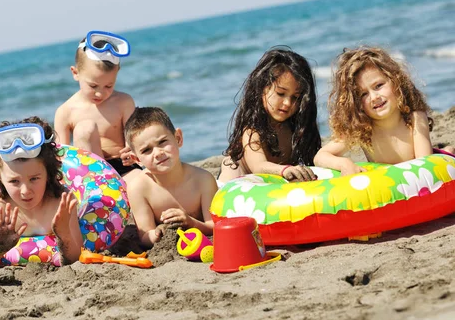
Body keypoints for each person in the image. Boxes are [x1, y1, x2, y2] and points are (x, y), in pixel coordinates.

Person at [0, 117, 83, 275]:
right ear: (0, 177)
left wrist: (64, 235)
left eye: (34, 179)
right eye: (14, 181)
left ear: (48, 174)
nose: (25, 191)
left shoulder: (61, 202)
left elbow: (77, 261)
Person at [314, 47, 455, 175]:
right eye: (363, 94)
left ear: (396, 81)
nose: (374, 97)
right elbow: (320, 157)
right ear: (355, 104)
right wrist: (344, 163)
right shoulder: (363, 128)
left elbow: (425, 166)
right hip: (390, 185)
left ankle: (447, 151)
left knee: (445, 156)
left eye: (378, 86)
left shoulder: (414, 118)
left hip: (421, 169)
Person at [218, 48, 321, 183]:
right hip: (238, 180)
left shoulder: (295, 128)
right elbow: (258, 166)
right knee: (231, 170)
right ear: (261, 88)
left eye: (296, 97)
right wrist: (285, 170)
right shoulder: (252, 130)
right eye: (280, 93)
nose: (287, 103)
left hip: (269, 182)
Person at [124, 107, 217, 248]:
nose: (158, 153)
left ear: (178, 138)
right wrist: (156, 233)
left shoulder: (203, 180)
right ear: (136, 159)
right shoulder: (138, 188)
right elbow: (144, 236)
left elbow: (214, 227)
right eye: (146, 150)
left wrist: (191, 223)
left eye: (162, 142)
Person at [54, 30, 141, 180]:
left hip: (126, 169)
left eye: (109, 86)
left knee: (140, 182)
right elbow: (61, 158)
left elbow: (134, 139)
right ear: (75, 73)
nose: (100, 94)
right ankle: (100, 186)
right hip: (91, 175)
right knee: (84, 129)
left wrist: (132, 151)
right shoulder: (65, 112)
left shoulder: (123, 102)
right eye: (93, 86)